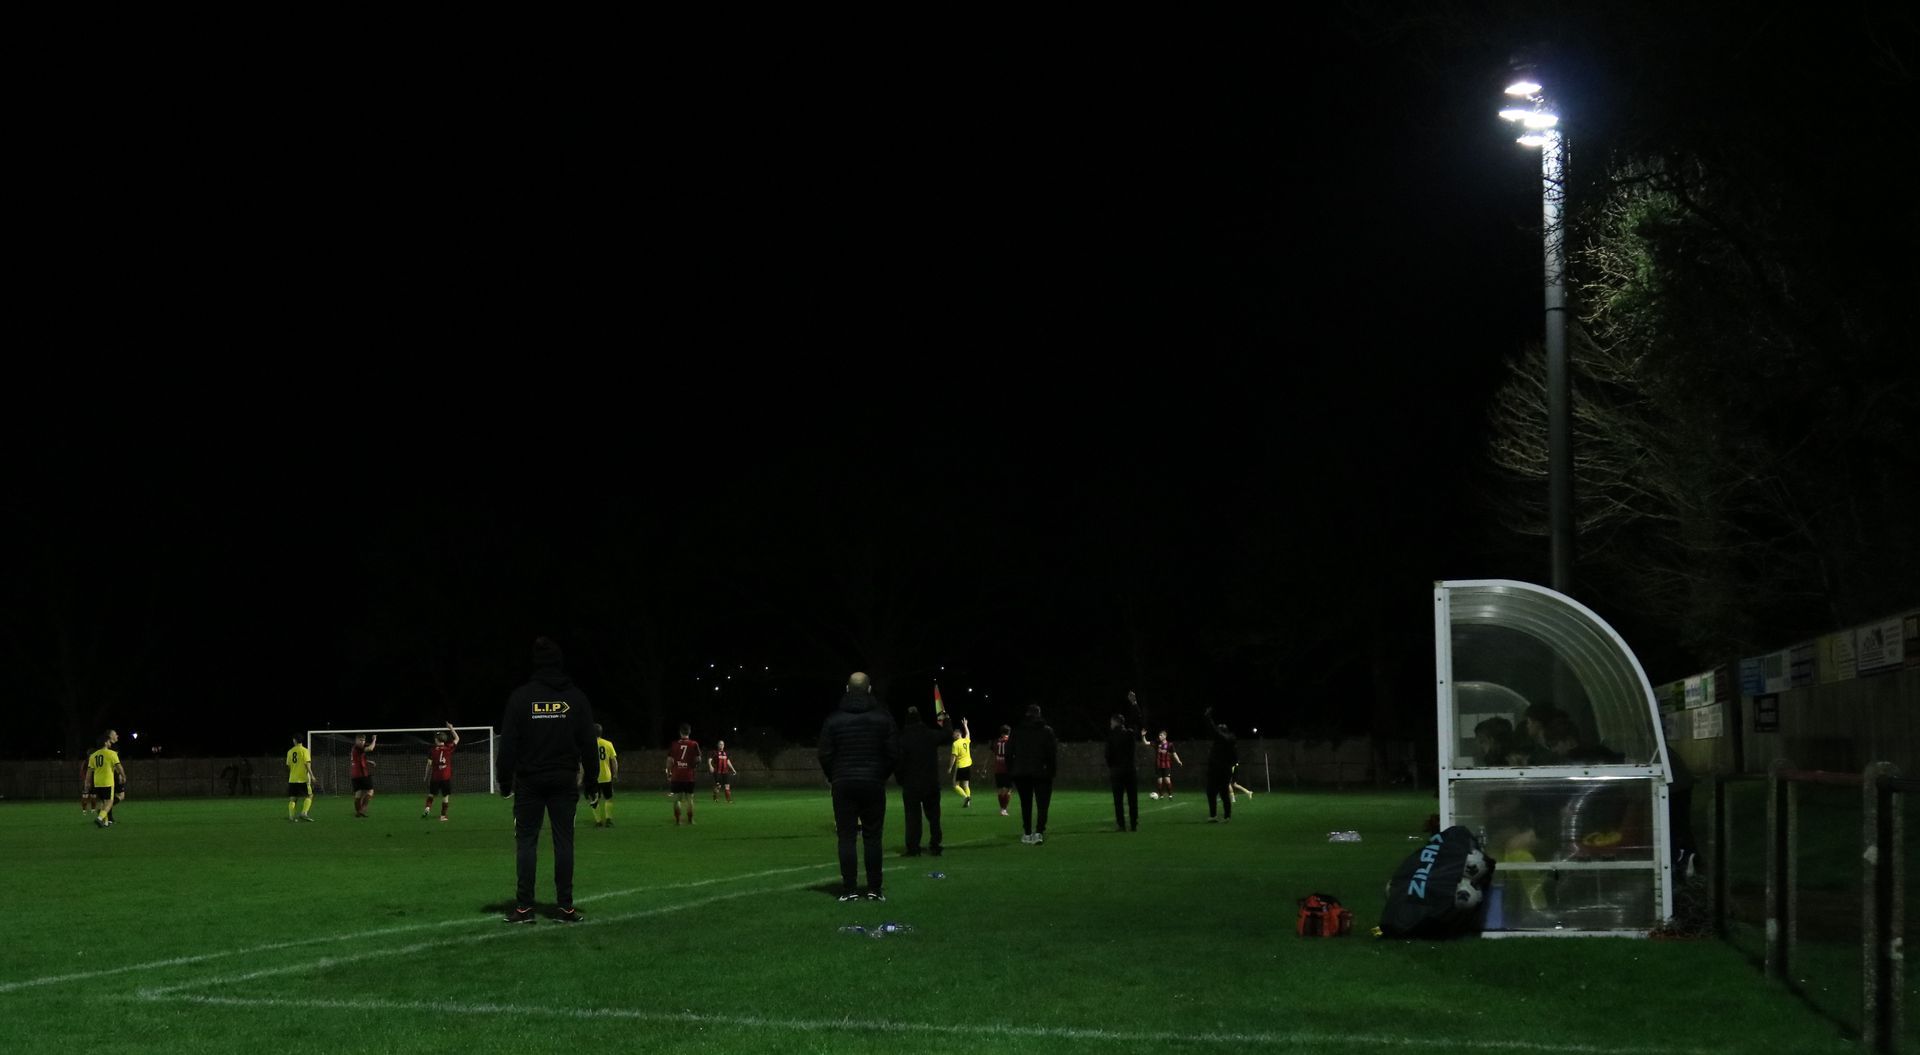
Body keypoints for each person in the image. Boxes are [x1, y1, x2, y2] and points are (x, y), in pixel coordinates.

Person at [499, 636, 597, 924]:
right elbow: (589, 744)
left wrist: (505, 781)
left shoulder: (521, 697)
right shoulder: (576, 697)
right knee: (564, 842)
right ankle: (565, 907)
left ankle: (524, 908)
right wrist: (591, 782)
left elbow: (508, 745)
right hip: (564, 779)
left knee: (526, 842)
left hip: (529, 780)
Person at [818, 671, 897, 901]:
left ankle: (850, 889)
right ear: (869, 690)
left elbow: (824, 753)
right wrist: (880, 774)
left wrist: (835, 775)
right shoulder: (883, 718)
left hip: (843, 783)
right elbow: (893, 753)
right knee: (873, 837)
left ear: (847, 689)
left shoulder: (834, 719)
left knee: (846, 837)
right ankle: (874, 889)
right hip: (872, 782)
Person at [891, 705, 945, 858]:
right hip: (931, 783)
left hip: (911, 784)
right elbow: (947, 734)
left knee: (912, 817)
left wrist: (900, 779)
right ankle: (935, 845)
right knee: (934, 816)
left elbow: (897, 762)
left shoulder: (902, 738)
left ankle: (913, 848)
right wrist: (945, 720)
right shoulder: (929, 735)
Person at [1007, 704, 1059, 844]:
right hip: (1041, 771)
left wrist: (1011, 771)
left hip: (1021, 772)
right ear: (1039, 714)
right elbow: (1052, 753)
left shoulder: (1017, 730)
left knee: (1026, 803)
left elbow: (1009, 752)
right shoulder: (1046, 731)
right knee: (1042, 804)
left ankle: (1027, 832)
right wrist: (1052, 771)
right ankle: (1039, 832)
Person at [1106, 712, 1148, 832]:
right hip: (1130, 769)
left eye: (1111, 722)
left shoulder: (1111, 736)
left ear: (1115, 722)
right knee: (1132, 799)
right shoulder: (1129, 734)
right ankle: (1134, 823)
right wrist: (1135, 706)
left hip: (1117, 770)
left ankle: (1121, 824)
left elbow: (1107, 754)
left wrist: (1112, 766)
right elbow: (1138, 723)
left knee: (1118, 800)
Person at [1201, 707, 1238, 822]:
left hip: (1216, 770)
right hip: (1224, 770)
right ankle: (1226, 816)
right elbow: (1235, 758)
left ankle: (1214, 815)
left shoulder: (1223, 739)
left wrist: (1208, 717)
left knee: (1212, 792)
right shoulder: (1230, 741)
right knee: (1223, 793)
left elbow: (1213, 729)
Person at [423, 723, 460, 821]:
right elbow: (457, 739)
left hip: (435, 777)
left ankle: (427, 808)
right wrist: (451, 728)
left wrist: (426, 776)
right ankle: (443, 816)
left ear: (437, 740)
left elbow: (429, 765)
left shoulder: (432, 751)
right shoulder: (449, 748)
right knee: (445, 797)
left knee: (431, 794)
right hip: (445, 778)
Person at [666, 723, 702, 825]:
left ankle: (678, 821)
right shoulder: (694, 744)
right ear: (689, 732)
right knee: (690, 799)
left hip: (676, 775)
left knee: (677, 799)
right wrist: (693, 766)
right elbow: (699, 759)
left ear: (680, 732)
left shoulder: (674, 744)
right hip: (689, 776)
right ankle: (690, 820)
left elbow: (669, 760)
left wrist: (669, 773)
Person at [89, 731, 126, 828]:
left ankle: (105, 821)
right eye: (115, 733)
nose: (117, 735)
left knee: (104, 801)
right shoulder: (112, 752)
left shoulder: (94, 755)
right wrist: (122, 775)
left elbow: (90, 771)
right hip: (108, 779)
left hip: (97, 781)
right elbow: (118, 766)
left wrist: (87, 782)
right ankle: (101, 817)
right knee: (110, 800)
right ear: (107, 740)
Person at [589, 724, 618, 828]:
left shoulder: (588, 745)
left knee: (594, 799)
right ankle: (608, 820)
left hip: (593, 777)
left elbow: (584, 762)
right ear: (601, 732)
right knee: (608, 798)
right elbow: (614, 761)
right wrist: (615, 773)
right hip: (606, 776)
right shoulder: (608, 743)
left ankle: (598, 821)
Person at [285, 735, 315, 822]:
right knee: (310, 796)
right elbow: (307, 765)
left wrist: (293, 773)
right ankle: (304, 813)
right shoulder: (305, 751)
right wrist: (312, 775)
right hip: (303, 779)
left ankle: (291, 816)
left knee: (293, 799)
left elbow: (289, 766)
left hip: (292, 779)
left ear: (295, 740)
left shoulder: (290, 752)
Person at [350, 734, 379, 817]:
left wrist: (369, 762)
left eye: (363, 740)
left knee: (358, 794)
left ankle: (358, 812)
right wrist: (374, 739)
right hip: (362, 774)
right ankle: (362, 809)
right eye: (360, 740)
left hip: (354, 775)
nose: (362, 742)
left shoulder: (354, 749)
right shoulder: (358, 747)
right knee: (370, 791)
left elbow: (359, 759)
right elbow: (371, 748)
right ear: (356, 740)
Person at [949, 717, 973, 808]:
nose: (952, 736)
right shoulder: (966, 740)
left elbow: (953, 757)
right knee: (966, 785)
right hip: (968, 765)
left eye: (954, 734)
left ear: (958, 734)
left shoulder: (955, 744)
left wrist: (950, 767)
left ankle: (966, 797)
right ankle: (968, 802)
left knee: (955, 785)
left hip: (960, 766)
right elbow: (968, 733)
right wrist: (965, 725)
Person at [1152, 730, 1182, 799]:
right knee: (1159, 781)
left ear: (1165, 736)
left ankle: (1170, 795)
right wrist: (1143, 736)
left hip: (1166, 765)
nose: (1159, 736)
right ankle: (1161, 795)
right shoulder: (1157, 743)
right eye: (1159, 735)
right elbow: (1146, 743)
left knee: (1167, 780)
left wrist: (1179, 761)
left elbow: (1174, 754)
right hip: (1158, 765)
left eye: (1161, 735)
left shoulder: (1170, 744)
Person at [991, 723, 1013, 816]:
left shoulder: (996, 741)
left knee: (1000, 789)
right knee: (1008, 790)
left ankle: (1001, 809)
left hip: (998, 769)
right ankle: (1004, 809)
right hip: (1008, 768)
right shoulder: (1010, 742)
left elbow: (992, 751)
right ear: (1009, 732)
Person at [709, 738, 737, 803]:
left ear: (724, 745)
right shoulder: (715, 752)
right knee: (718, 786)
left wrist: (733, 769)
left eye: (722, 744)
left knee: (727, 786)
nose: (721, 745)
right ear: (717, 745)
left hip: (725, 772)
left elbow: (728, 762)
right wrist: (710, 766)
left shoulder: (725, 753)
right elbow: (710, 759)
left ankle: (728, 800)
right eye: (720, 744)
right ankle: (715, 797)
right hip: (717, 772)